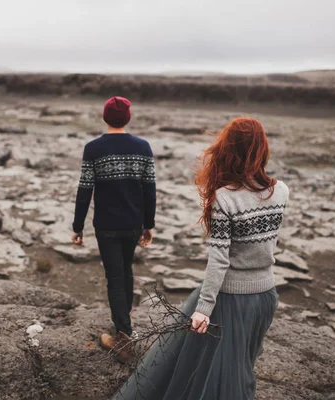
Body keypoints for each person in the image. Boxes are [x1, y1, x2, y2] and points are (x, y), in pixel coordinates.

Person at [113, 117, 289, 400]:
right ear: (261, 149)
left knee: (223, 379)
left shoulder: (224, 198)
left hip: (230, 299)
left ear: (228, 150)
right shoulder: (281, 191)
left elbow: (219, 259)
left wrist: (204, 308)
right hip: (266, 296)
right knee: (241, 366)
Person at [71, 96, 156, 363]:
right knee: (125, 268)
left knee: (115, 276)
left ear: (105, 117)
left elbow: (85, 189)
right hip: (132, 223)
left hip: (106, 225)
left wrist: (78, 226)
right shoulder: (142, 147)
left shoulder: (93, 148)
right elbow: (149, 189)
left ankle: (123, 337)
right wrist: (148, 224)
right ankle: (124, 320)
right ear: (128, 118)